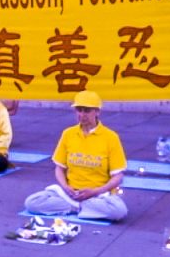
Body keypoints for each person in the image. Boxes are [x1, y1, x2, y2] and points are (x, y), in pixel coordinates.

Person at [24, 91, 128, 221]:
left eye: (87, 111)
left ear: (97, 112)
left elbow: (118, 176)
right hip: (70, 194)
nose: (82, 115)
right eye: (79, 110)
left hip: (99, 195)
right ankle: (81, 207)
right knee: (32, 202)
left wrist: (96, 191)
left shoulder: (111, 137)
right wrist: (66, 187)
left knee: (119, 211)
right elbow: (59, 168)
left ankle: (77, 207)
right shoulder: (68, 134)